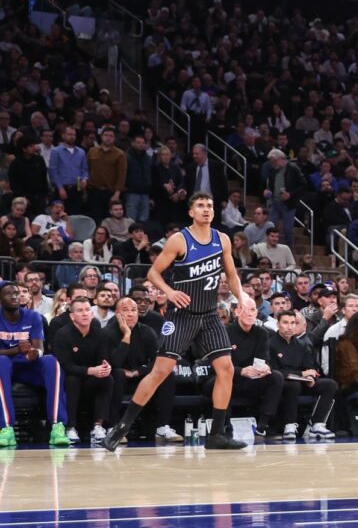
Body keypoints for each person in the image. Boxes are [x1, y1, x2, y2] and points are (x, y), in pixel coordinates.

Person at [102, 192, 251, 450]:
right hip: (181, 316)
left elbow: (231, 274)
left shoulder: (222, 240)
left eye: (210, 206)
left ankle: (217, 434)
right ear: (191, 212)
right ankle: (120, 428)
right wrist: (169, 292)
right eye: (201, 206)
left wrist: (243, 297)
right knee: (160, 371)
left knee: (226, 369)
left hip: (209, 315)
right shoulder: (179, 240)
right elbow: (153, 273)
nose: (206, 209)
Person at [0, 281, 71, 447]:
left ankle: (57, 425)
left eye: (16, 293)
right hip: (4, 367)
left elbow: (39, 347)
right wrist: (17, 349)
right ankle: (5, 428)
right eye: (9, 294)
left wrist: (34, 353)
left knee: (50, 360)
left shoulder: (33, 317)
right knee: (1, 362)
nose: (14, 296)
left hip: (26, 366)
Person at [106, 296, 180, 442]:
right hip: (119, 377)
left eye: (134, 310)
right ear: (117, 313)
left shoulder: (147, 332)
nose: (131, 314)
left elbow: (156, 360)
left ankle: (162, 427)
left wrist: (139, 371)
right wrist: (127, 336)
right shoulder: (108, 332)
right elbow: (113, 362)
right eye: (125, 310)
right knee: (116, 373)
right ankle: (114, 427)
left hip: (141, 375)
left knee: (167, 374)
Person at [217, 297, 284, 439]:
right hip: (229, 377)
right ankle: (224, 428)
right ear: (236, 312)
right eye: (245, 309)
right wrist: (241, 371)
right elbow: (219, 366)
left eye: (253, 310)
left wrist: (264, 367)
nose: (249, 313)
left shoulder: (262, 333)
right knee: (223, 379)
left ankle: (262, 427)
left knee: (276, 377)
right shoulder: (225, 332)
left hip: (251, 378)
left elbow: (263, 359)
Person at [53, 297, 115, 445]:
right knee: (72, 379)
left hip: (91, 378)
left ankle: (98, 426)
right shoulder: (63, 334)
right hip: (70, 378)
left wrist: (106, 367)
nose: (85, 313)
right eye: (80, 311)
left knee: (108, 378)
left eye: (87, 310)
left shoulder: (99, 333)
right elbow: (66, 365)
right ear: (72, 316)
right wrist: (90, 370)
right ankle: (70, 427)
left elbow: (103, 358)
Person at [268, 309, 337, 439]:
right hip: (281, 383)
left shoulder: (302, 344)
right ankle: (289, 425)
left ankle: (317, 424)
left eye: (293, 323)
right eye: (286, 323)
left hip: (302, 380)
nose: (289, 327)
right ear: (278, 324)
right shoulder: (271, 344)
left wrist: (310, 376)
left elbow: (310, 366)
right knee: (293, 385)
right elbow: (273, 371)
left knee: (330, 384)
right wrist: (301, 373)